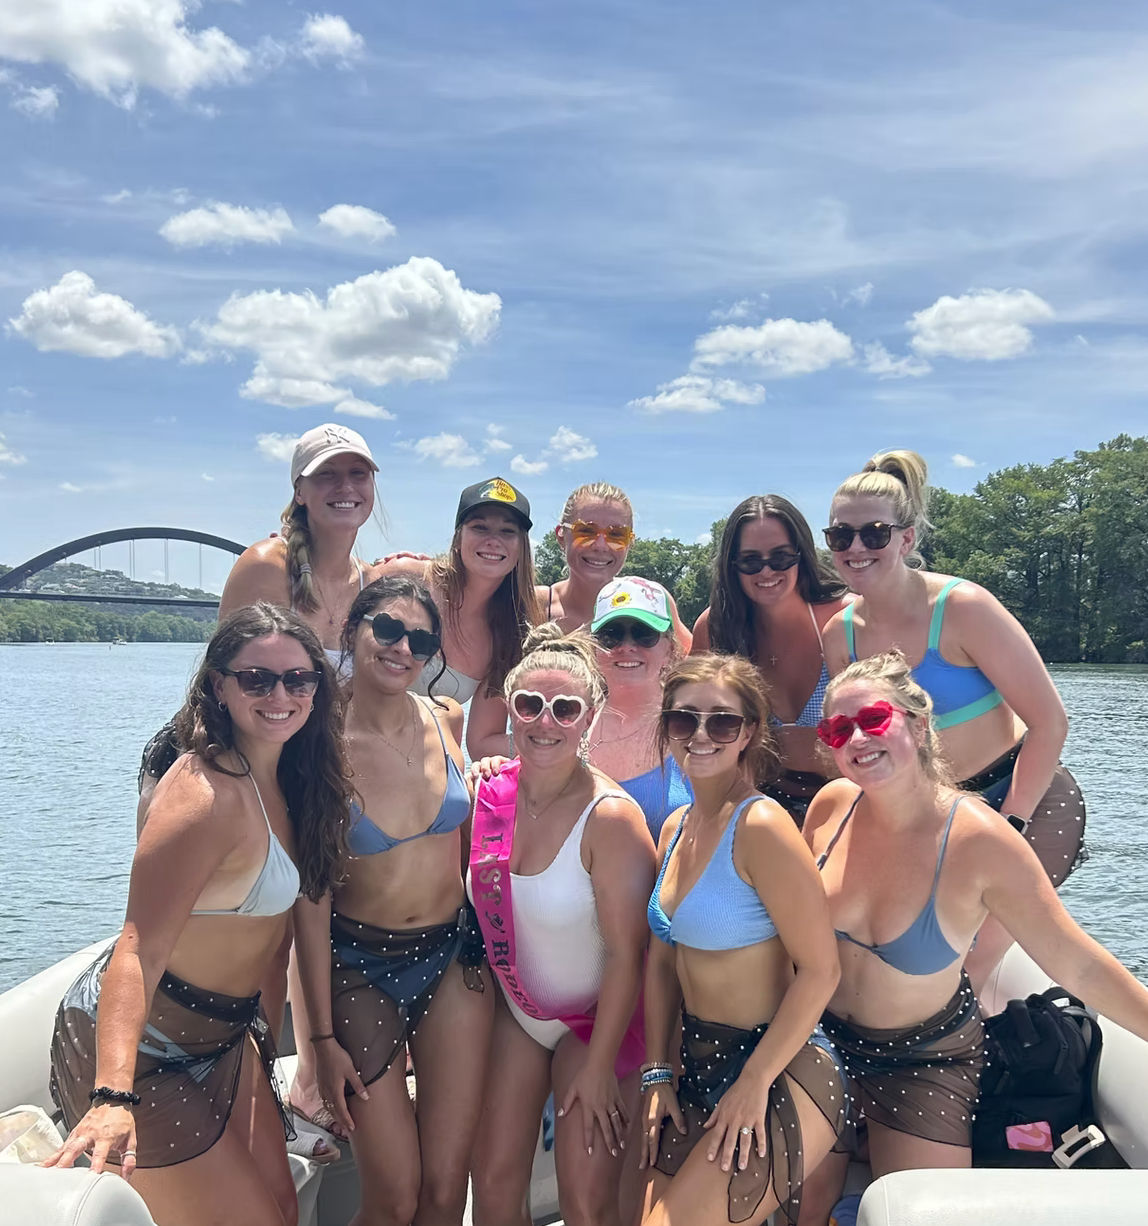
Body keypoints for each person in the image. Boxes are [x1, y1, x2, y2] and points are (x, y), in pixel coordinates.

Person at [802, 650, 1148, 1214]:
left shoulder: (979, 841)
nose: (857, 739)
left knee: (923, 1212)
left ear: (918, 724)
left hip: (920, 1058)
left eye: (874, 719)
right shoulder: (830, 808)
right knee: (799, 1204)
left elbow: (1078, 964)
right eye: (839, 729)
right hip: (821, 1040)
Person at [46, 604, 351, 1226]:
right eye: (257, 679)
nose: (280, 696)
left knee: (284, 1210)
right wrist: (112, 1092)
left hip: (226, 1036)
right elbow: (138, 947)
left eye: (298, 679)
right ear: (219, 685)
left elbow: (274, 941)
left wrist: (287, 1045)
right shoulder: (203, 791)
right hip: (147, 1048)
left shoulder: (296, 779)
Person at [820, 450, 1086, 985]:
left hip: (1027, 802)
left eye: (874, 534)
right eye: (841, 535)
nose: (856, 548)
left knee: (971, 966)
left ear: (906, 539)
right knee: (922, 972)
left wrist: (1010, 824)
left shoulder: (965, 608)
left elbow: (1050, 722)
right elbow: (859, 745)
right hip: (934, 817)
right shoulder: (839, 635)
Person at [293, 576, 490, 1226]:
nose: (403, 648)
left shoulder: (446, 717)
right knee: (394, 1198)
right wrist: (318, 1040)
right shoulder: (317, 742)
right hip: (359, 971)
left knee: (445, 1192)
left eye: (421, 640)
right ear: (353, 630)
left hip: (451, 957)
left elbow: (473, 838)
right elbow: (310, 903)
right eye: (388, 629)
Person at [639, 653, 846, 1226]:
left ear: (749, 733)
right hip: (698, 1063)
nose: (701, 735)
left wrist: (755, 1081)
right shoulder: (674, 828)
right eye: (684, 719)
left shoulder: (762, 827)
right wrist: (657, 1072)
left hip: (780, 1067)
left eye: (723, 722)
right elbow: (662, 962)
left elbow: (821, 971)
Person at [468, 624, 656, 1226]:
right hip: (519, 1018)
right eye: (530, 704)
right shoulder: (486, 793)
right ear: (510, 708)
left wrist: (600, 1068)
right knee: (492, 1188)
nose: (545, 721)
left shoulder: (612, 819)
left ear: (589, 718)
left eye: (565, 709)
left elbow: (628, 955)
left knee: (586, 1203)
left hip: (601, 1026)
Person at [468, 483, 691, 759]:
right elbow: (482, 741)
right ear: (561, 536)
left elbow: (697, 692)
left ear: (630, 542)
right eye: (586, 531)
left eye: (617, 535)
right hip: (550, 780)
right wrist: (570, 747)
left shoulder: (653, 603)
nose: (601, 545)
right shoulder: (526, 608)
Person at [691, 495, 849, 827]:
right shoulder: (715, 628)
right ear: (732, 565)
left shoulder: (847, 619)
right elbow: (692, 724)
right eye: (750, 560)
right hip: (756, 805)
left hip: (849, 797)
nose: (766, 571)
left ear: (801, 556)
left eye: (780, 557)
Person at [383, 476, 541, 749]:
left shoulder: (510, 634)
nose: (493, 541)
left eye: (507, 531)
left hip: (421, 760)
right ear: (458, 537)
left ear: (521, 548)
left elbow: (482, 743)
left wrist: (559, 742)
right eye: (479, 527)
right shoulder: (406, 576)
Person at [588, 576, 693, 843]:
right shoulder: (570, 722)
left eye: (644, 633)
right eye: (611, 635)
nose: (627, 646)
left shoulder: (702, 729)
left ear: (670, 648)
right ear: (594, 648)